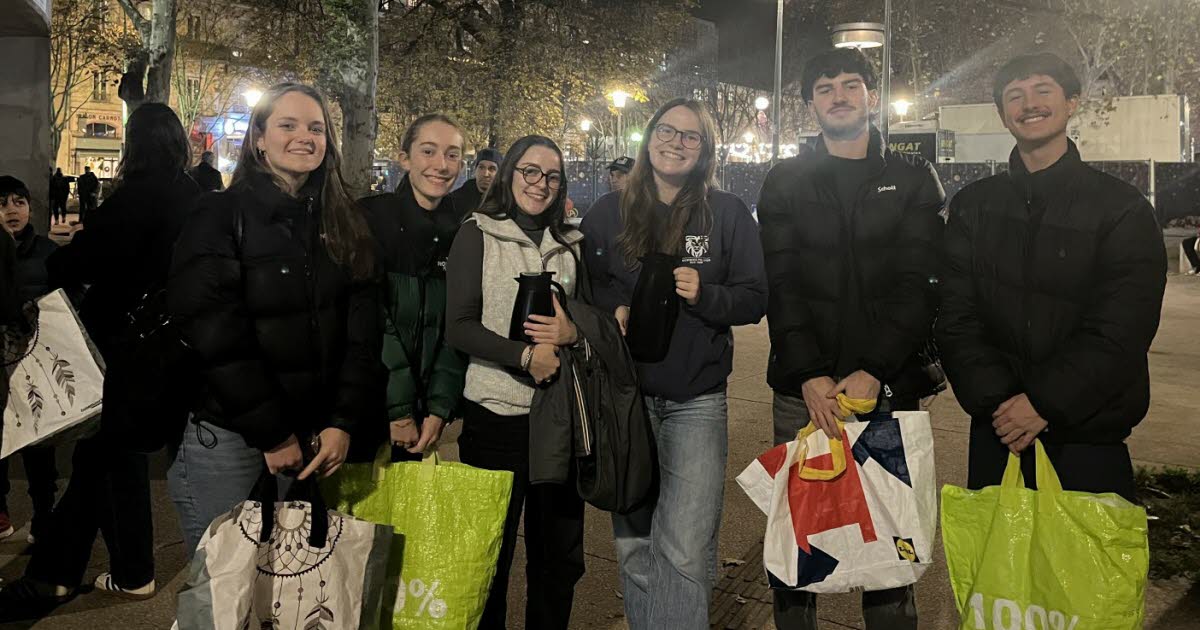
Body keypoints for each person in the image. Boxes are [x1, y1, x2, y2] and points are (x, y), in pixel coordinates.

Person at [755, 47, 945, 630]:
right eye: (825, 87)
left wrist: (874, 370)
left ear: (870, 95)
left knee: (891, 555)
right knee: (798, 551)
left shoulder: (911, 179)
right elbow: (779, 284)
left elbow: (921, 286)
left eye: (850, 84)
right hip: (802, 393)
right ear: (810, 103)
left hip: (885, 389)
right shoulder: (785, 179)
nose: (838, 95)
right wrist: (810, 374)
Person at [0, 103, 203, 617]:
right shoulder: (194, 197)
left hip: (128, 348)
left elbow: (72, 261)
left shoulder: (131, 200)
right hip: (176, 347)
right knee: (113, 456)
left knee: (105, 455)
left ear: (133, 145)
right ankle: (121, 571)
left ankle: (57, 576)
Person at [937, 53, 1166, 505]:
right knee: (999, 573)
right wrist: (1000, 403)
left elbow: (1124, 325)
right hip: (999, 432)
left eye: (1043, 90)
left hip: (1088, 435)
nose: (1029, 104)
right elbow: (953, 313)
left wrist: (1043, 403)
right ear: (1003, 116)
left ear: (1072, 103)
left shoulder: (1120, 207)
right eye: (1014, 96)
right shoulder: (973, 206)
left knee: (1083, 574)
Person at [167, 83, 379, 557]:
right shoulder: (219, 214)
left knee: (286, 592)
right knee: (222, 593)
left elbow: (360, 333)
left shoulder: (341, 223)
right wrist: (272, 432)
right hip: (231, 437)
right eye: (288, 125)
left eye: (316, 128)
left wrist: (342, 420)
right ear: (259, 139)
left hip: (312, 438)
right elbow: (214, 332)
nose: (305, 137)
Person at [581, 98, 768, 629]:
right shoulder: (607, 213)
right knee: (635, 546)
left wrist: (707, 294)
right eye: (667, 131)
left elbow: (755, 297)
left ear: (705, 150)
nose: (676, 142)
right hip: (624, 398)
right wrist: (606, 310)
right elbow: (580, 291)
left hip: (695, 400)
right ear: (648, 138)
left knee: (684, 548)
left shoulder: (726, 213)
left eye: (690, 137)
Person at [445, 134, 588, 629]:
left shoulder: (571, 243)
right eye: (530, 171)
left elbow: (585, 320)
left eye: (551, 175)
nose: (540, 184)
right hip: (495, 416)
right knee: (490, 556)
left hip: (557, 420)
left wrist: (573, 331)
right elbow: (459, 325)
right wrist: (524, 356)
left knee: (557, 559)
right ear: (509, 174)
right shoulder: (477, 233)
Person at [359, 114, 467, 461]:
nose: (441, 165)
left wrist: (439, 408)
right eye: (428, 151)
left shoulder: (461, 234)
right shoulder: (371, 219)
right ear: (403, 158)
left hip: (421, 417)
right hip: (370, 407)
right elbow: (371, 319)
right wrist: (400, 410)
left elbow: (456, 326)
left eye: (452, 154)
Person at [0, 176, 60, 546]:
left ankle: (44, 514)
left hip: (37, 359)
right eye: (3, 202)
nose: (12, 209)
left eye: (19, 201)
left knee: (41, 442)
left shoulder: (48, 253)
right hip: (1, 363)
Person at [449, 147, 503, 220]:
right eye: (481, 167)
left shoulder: (504, 201)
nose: (486, 174)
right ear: (475, 170)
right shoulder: (455, 200)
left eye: (492, 169)